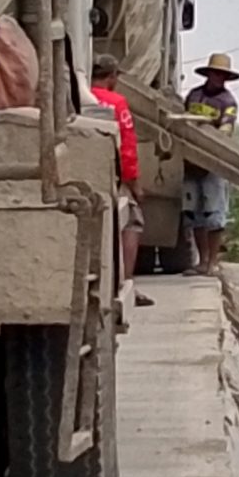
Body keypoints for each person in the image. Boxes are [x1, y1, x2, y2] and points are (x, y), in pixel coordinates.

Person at [90, 53, 150, 310]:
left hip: (82, 171)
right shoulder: (116, 102)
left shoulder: (77, 97)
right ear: (112, 77)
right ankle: (124, 283)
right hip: (112, 176)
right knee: (132, 221)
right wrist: (134, 184)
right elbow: (126, 147)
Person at [181, 52, 239, 275]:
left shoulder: (228, 102)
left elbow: (226, 130)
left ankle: (212, 262)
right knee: (194, 214)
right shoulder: (194, 95)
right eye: (215, 74)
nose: (218, 78)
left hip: (213, 163)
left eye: (222, 75)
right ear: (209, 74)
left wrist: (209, 134)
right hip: (190, 162)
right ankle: (202, 260)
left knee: (214, 215)